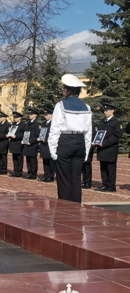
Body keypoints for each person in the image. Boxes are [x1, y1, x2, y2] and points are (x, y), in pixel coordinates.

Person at [48, 74, 93, 203]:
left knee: (64, 178)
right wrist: (86, 151)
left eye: (64, 88)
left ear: (67, 90)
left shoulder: (61, 105)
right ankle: (76, 206)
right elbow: (88, 132)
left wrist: (53, 150)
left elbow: (55, 129)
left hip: (66, 141)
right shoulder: (87, 107)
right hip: (80, 143)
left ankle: (65, 207)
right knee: (76, 178)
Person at [94, 102, 122, 193]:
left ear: (112, 111)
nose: (105, 112)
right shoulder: (102, 121)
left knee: (110, 168)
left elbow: (117, 135)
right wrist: (96, 141)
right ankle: (104, 184)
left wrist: (105, 143)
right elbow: (98, 134)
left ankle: (111, 186)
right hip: (102, 148)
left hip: (110, 148)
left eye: (107, 110)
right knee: (103, 168)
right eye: (104, 110)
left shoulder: (116, 122)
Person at [22, 107, 41, 180]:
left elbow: (37, 135)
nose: (29, 115)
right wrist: (24, 140)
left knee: (33, 160)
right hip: (27, 143)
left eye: (31, 114)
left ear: (35, 115)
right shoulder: (28, 124)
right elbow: (25, 133)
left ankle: (33, 174)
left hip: (32, 144)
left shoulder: (37, 124)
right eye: (29, 114)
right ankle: (29, 173)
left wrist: (31, 141)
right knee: (28, 159)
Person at [38, 108, 55, 182]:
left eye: (47, 114)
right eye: (45, 114)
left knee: (51, 162)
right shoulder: (44, 123)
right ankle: (46, 175)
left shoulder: (54, 123)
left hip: (50, 145)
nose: (45, 116)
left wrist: (47, 139)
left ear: (51, 115)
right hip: (43, 145)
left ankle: (50, 176)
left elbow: (54, 134)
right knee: (45, 161)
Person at [8, 111, 26, 177]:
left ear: (20, 118)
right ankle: (15, 171)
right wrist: (9, 135)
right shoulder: (13, 125)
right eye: (14, 117)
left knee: (19, 158)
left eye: (16, 117)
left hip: (19, 143)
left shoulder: (23, 125)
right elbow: (10, 131)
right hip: (13, 143)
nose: (15, 119)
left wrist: (17, 136)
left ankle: (19, 172)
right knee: (14, 158)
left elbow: (24, 134)